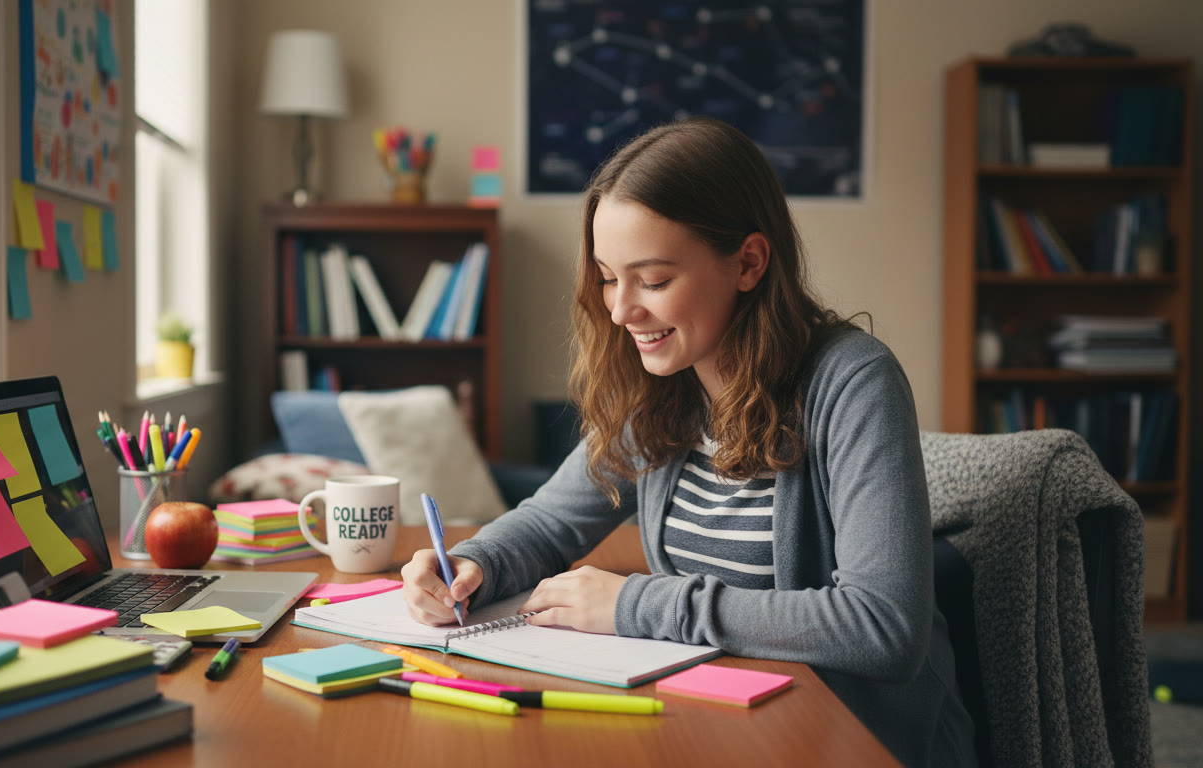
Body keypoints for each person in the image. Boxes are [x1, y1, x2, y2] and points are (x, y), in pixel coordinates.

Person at [400, 117, 975, 767]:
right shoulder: (664, 387)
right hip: (715, 722)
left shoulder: (853, 382)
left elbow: (882, 629)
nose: (619, 312)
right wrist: (470, 566)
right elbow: (549, 521)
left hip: (852, 742)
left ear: (749, 263)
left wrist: (635, 603)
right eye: (609, 277)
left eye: (652, 279)